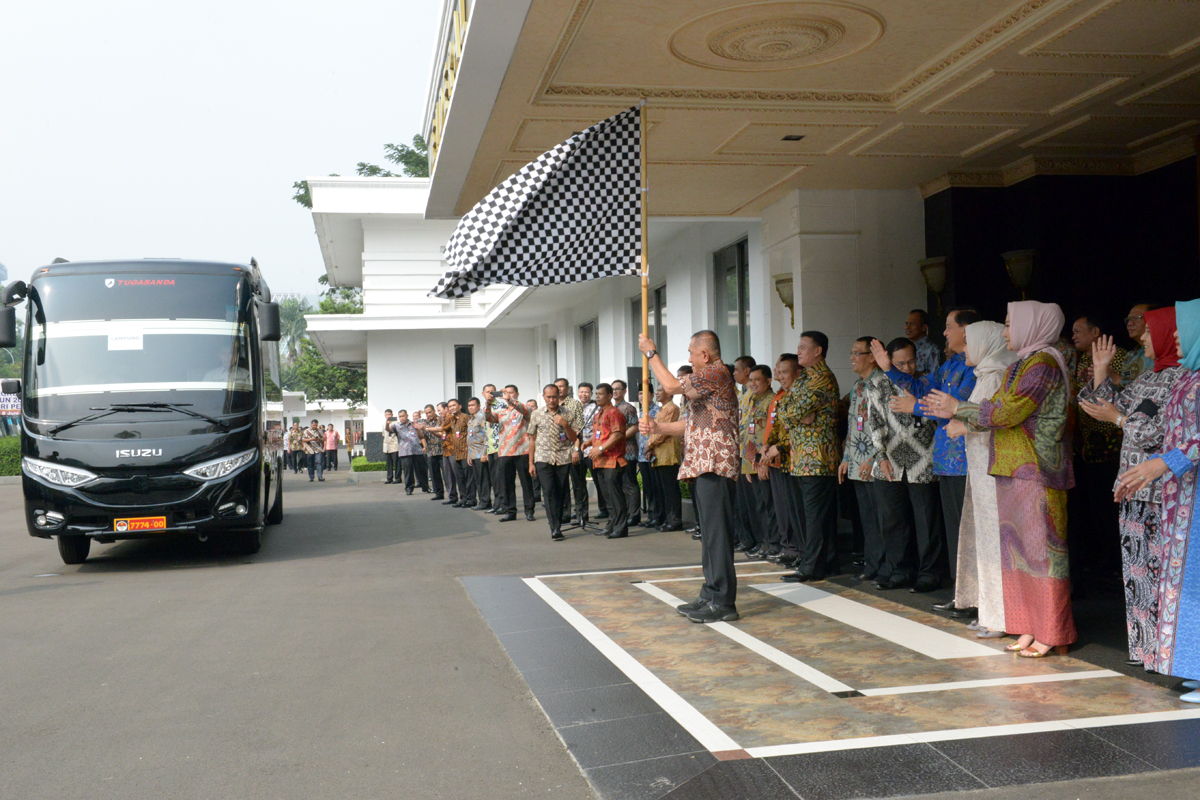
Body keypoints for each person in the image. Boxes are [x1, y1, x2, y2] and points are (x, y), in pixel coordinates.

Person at [927, 300, 1076, 658]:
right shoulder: (1023, 362)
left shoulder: (1043, 364)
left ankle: (1053, 630)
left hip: (1037, 469)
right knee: (1019, 555)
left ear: (1032, 326)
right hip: (1012, 467)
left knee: (1044, 555)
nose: (1006, 331)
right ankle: (1029, 625)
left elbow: (1008, 411)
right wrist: (962, 412)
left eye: (1010, 324)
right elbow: (998, 409)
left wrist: (957, 407)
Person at [1080, 308, 1184, 669]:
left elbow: (1160, 438)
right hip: (1132, 489)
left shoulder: (1183, 381)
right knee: (1136, 573)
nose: (1141, 338)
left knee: (1160, 577)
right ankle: (1143, 650)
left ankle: (1165, 653)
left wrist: (1120, 420)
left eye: (1149, 332)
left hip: (1161, 492)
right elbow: (1098, 409)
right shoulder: (1146, 379)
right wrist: (1101, 371)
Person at [1117, 299, 1200, 701]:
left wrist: (1159, 465)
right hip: (1180, 494)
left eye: (1184, 329)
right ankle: (1192, 665)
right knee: (1183, 580)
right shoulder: (1187, 376)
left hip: (1189, 489)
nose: (1178, 337)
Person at [873, 308, 981, 609]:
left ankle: (974, 597)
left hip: (966, 459)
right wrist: (889, 369)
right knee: (954, 531)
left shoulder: (978, 367)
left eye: (948, 327)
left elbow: (951, 407)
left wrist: (915, 408)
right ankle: (963, 595)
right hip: (946, 459)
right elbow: (923, 388)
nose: (944, 333)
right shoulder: (951, 365)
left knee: (967, 531)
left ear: (968, 330)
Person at [640, 330, 741, 623]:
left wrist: (651, 353)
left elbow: (670, 385)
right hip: (702, 464)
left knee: (718, 534)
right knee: (709, 534)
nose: (688, 358)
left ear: (705, 355)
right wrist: (659, 429)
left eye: (691, 353)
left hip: (716, 464)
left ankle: (723, 602)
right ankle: (710, 593)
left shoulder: (716, 373)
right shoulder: (706, 381)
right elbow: (690, 424)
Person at [946, 322, 1018, 638]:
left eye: (972, 340)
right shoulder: (986, 374)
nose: (966, 345)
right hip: (979, 467)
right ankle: (989, 611)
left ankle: (1001, 616)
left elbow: (996, 418)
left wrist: (963, 425)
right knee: (984, 541)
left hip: (993, 468)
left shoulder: (999, 375)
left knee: (995, 542)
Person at [763, 331, 841, 583]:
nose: (798, 351)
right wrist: (797, 414)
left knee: (816, 516)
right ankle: (826, 563)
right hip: (802, 459)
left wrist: (797, 414)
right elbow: (784, 408)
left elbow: (794, 410)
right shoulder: (805, 377)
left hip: (818, 458)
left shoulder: (822, 378)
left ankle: (812, 566)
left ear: (818, 351)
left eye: (803, 347)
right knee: (813, 515)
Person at [869, 337, 943, 592]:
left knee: (926, 522)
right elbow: (875, 422)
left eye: (911, 361)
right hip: (891, 461)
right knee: (893, 521)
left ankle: (929, 573)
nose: (907, 367)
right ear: (888, 360)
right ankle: (900, 570)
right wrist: (880, 456)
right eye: (900, 363)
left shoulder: (927, 382)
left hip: (924, 461)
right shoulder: (878, 383)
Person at [1071, 311, 1127, 589]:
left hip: (1113, 445)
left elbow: (1126, 390)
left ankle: (1115, 564)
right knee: (1094, 508)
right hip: (1089, 445)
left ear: (1096, 333)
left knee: (1110, 507)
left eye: (1078, 331)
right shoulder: (1080, 358)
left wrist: (1110, 373)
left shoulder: (1118, 356)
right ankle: (1102, 561)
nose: (1073, 337)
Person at [839, 337, 888, 583]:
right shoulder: (858, 386)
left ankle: (884, 567)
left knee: (881, 519)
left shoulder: (881, 382)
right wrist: (847, 457)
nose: (852, 357)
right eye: (852, 352)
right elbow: (853, 425)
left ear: (872, 356)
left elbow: (885, 427)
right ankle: (872, 565)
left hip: (877, 463)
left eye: (857, 353)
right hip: (857, 463)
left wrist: (871, 458)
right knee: (866, 519)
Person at [757, 355, 801, 562]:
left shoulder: (793, 396)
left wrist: (775, 448)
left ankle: (792, 548)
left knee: (790, 509)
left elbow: (797, 430)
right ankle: (787, 547)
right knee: (781, 508)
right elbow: (772, 429)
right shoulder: (780, 397)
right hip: (774, 458)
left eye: (784, 371)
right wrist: (765, 451)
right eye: (778, 370)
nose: (779, 375)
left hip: (791, 459)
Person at [528, 383, 583, 541]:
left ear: (559, 396)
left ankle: (558, 522)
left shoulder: (568, 412)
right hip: (543, 458)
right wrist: (531, 463)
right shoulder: (537, 414)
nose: (552, 400)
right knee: (549, 491)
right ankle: (555, 528)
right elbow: (532, 439)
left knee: (560, 493)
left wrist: (565, 425)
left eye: (554, 397)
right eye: (548, 397)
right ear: (544, 397)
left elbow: (574, 438)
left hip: (563, 458)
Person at [740, 364, 779, 557]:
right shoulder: (752, 400)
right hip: (751, 461)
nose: (752, 383)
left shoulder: (772, 400)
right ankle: (763, 541)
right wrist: (747, 464)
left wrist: (763, 461)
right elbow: (748, 433)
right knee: (759, 505)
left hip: (765, 461)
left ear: (768, 381)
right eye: (751, 379)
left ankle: (772, 544)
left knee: (769, 504)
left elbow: (770, 435)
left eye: (757, 379)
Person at [585, 383, 629, 539]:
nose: (597, 396)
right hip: (600, 461)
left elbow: (617, 435)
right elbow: (599, 434)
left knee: (616, 496)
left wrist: (600, 449)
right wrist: (588, 443)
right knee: (607, 496)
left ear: (610, 396)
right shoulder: (599, 413)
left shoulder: (614, 413)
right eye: (596, 394)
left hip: (612, 460)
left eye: (600, 394)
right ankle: (611, 525)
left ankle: (621, 528)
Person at [488, 385, 535, 522]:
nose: (507, 395)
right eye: (505, 393)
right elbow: (488, 418)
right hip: (505, 452)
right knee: (507, 483)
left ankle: (529, 511)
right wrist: (488, 403)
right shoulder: (500, 412)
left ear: (517, 394)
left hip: (522, 451)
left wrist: (512, 400)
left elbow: (527, 411)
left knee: (526, 482)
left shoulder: (524, 409)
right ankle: (510, 511)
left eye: (511, 393)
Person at [647, 383, 683, 531]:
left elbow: (664, 431)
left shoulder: (672, 408)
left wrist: (649, 445)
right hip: (659, 453)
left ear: (669, 393)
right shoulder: (662, 409)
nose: (657, 393)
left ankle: (674, 521)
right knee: (662, 490)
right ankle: (667, 519)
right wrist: (650, 445)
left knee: (670, 490)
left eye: (660, 390)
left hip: (668, 453)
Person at [556, 378, 587, 525]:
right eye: (557, 387)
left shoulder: (574, 404)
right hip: (558, 451)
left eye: (562, 386)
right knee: (561, 484)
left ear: (568, 388)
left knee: (578, 484)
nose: (559, 389)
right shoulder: (552, 405)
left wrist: (576, 449)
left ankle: (582, 514)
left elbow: (579, 429)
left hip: (572, 448)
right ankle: (565, 514)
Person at [612, 380, 642, 526]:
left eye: (618, 389)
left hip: (628, 450)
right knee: (621, 484)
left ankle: (635, 515)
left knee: (630, 483)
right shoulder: (611, 408)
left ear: (624, 391)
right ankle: (625, 513)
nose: (615, 391)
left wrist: (619, 438)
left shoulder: (628, 407)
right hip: (615, 452)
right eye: (613, 389)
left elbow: (635, 427)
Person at [636, 386, 663, 528]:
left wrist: (650, 447)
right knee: (648, 488)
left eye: (645, 394)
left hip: (652, 454)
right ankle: (651, 516)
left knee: (656, 487)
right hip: (641, 455)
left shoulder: (656, 411)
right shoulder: (640, 411)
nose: (642, 397)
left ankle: (658, 516)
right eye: (640, 394)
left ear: (652, 395)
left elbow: (657, 433)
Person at [575, 382, 600, 523]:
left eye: (586, 392)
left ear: (591, 393)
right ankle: (581, 515)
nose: (583, 394)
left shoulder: (595, 408)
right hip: (577, 450)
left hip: (591, 450)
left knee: (598, 481)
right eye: (581, 391)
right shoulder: (574, 407)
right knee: (579, 484)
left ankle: (605, 510)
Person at [440, 399, 471, 506]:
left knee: (468, 478)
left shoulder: (466, 417)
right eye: (450, 406)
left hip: (465, 452)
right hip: (456, 452)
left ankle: (471, 499)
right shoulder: (452, 419)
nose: (452, 408)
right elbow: (444, 428)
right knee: (460, 478)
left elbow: (470, 435)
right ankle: (463, 499)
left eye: (454, 405)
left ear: (460, 406)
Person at [391, 410, 429, 495]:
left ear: (407, 415)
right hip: (405, 452)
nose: (402, 418)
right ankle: (409, 488)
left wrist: (424, 446)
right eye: (400, 416)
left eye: (403, 416)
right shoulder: (396, 426)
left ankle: (425, 487)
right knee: (408, 472)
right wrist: (387, 423)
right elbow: (389, 430)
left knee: (422, 470)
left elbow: (421, 436)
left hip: (417, 451)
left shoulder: (413, 424)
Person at [482, 385, 505, 513]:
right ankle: (496, 504)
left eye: (492, 392)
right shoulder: (484, 408)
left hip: (500, 446)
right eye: (487, 392)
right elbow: (485, 430)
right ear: (483, 393)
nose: (490, 394)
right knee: (493, 478)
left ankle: (503, 504)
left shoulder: (501, 404)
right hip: (490, 447)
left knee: (500, 477)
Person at [418, 404, 446, 500]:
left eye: (430, 412)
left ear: (434, 411)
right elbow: (421, 436)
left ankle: (452, 494)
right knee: (434, 474)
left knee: (446, 474)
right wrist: (418, 429)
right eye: (426, 413)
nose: (428, 414)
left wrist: (428, 428)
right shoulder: (424, 423)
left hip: (442, 451)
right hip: (431, 452)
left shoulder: (440, 420)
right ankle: (438, 493)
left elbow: (443, 433)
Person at [1123, 303, 1156, 380]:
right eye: (1128, 319)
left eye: (1137, 318)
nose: (1130, 323)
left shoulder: (1161, 354)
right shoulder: (1130, 355)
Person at [906, 309, 941, 376]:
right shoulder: (907, 347)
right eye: (906, 323)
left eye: (912, 324)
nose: (907, 327)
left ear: (924, 327)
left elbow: (935, 378)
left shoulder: (932, 350)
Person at [382, 412, 400, 484]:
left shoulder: (396, 423)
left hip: (394, 444)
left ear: (392, 415)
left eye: (389, 415)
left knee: (396, 463)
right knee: (388, 463)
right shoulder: (384, 424)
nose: (388, 416)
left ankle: (398, 478)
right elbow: (383, 434)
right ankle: (389, 478)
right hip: (387, 446)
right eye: (387, 415)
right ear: (385, 416)